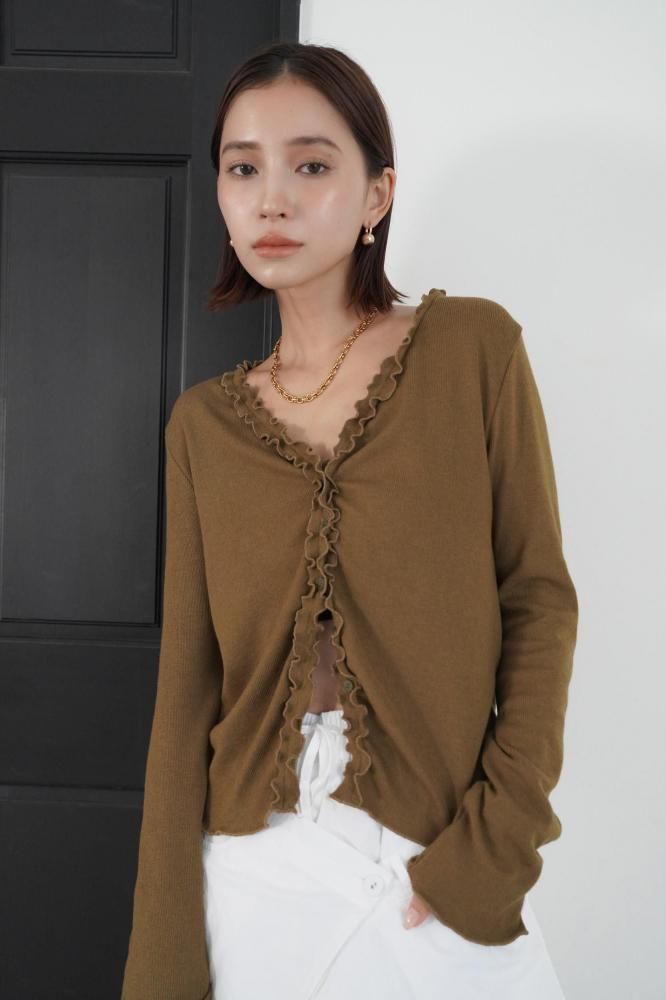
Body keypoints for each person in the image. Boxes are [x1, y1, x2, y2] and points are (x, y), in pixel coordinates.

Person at [121, 41, 578, 1000]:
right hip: (251, 877)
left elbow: (538, 604)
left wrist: (495, 850)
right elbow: (186, 689)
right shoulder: (203, 427)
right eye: (242, 168)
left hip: (437, 864)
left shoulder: (473, 350)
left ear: (378, 193)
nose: (271, 200)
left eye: (311, 165)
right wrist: (162, 954)